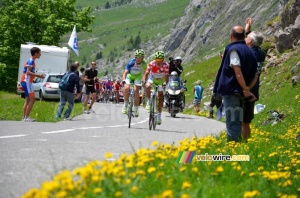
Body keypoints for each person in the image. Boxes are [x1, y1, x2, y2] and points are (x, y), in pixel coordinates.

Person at [213, 25, 258, 142]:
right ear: (243, 36)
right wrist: (247, 88)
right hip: (242, 93)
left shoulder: (233, 50)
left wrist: (245, 89)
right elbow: (255, 75)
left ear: (231, 36)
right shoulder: (250, 51)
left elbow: (237, 73)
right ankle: (239, 148)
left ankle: (234, 151)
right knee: (237, 120)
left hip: (232, 91)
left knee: (232, 122)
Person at [242, 18, 266, 141]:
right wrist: (248, 30)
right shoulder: (260, 53)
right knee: (246, 121)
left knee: (238, 120)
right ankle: (245, 143)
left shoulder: (247, 54)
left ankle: (237, 144)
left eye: (247, 37)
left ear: (250, 41)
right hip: (254, 90)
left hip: (244, 90)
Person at [143, 51, 169, 125]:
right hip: (153, 78)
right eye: (157, 60)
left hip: (161, 80)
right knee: (147, 86)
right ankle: (149, 100)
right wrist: (144, 81)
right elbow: (146, 73)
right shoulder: (151, 63)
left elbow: (167, 76)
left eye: (160, 60)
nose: (158, 62)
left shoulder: (166, 65)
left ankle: (159, 115)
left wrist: (165, 83)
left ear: (163, 60)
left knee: (160, 96)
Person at [20, 47, 45, 122]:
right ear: (36, 53)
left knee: (28, 100)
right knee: (32, 99)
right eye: (39, 52)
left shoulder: (31, 60)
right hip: (27, 81)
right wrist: (39, 76)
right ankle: (26, 118)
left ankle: (24, 117)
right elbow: (28, 72)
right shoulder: (31, 61)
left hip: (26, 81)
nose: (40, 54)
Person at [122, 49, 147, 117]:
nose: (138, 59)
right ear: (135, 57)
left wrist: (144, 81)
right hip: (130, 76)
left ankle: (136, 108)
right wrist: (123, 80)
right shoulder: (131, 62)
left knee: (136, 91)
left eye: (140, 57)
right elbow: (125, 72)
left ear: (143, 58)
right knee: (126, 88)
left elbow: (145, 73)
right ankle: (125, 104)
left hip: (138, 76)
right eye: (137, 57)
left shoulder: (144, 63)